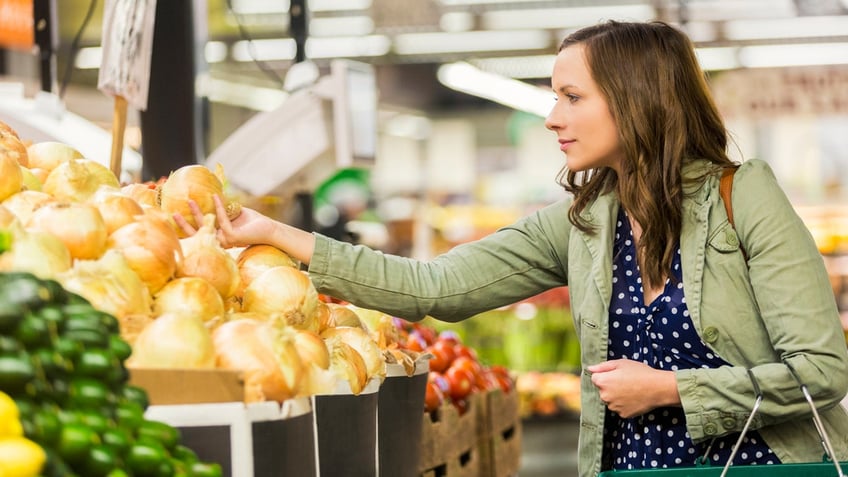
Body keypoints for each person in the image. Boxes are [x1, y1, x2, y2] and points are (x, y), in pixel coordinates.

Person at [178, 20, 848, 477]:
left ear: (637, 100)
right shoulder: (583, 224)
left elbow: (822, 370)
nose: (551, 115)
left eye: (570, 96)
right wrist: (271, 234)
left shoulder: (743, 196)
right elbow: (431, 287)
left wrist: (670, 389)